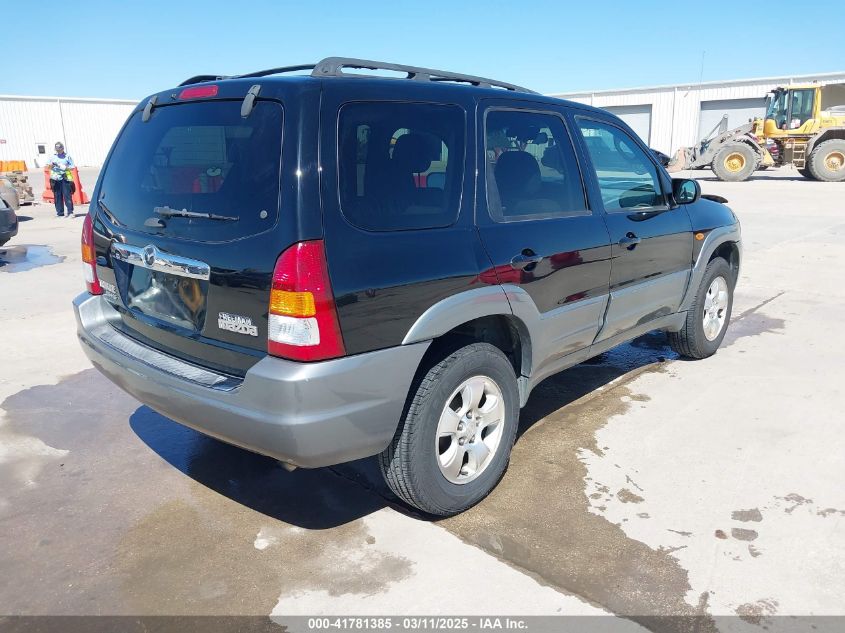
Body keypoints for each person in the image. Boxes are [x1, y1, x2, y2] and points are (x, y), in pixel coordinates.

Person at [47, 142, 75, 218]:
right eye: (57, 150)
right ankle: (60, 213)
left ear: (63, 149)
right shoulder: (52, 157)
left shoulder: (67, 156)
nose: (59, 151)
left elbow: (72, 167)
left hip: (65, 177)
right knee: (57, 196)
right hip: (55, 178)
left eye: (60, 149)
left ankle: (70, 212)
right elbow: (48, 167)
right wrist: (51, 165)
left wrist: (66, 167)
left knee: (67, 195)